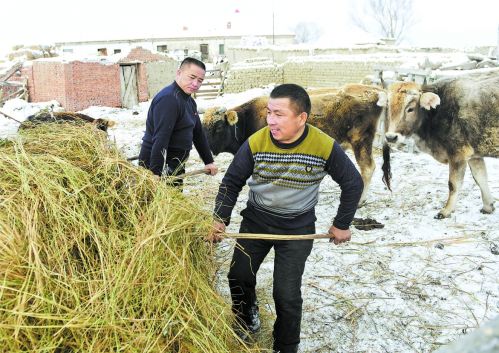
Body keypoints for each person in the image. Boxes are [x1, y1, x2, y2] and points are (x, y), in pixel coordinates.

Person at [207, 83, 363, 353]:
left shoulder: (323, 145)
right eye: (269, 113)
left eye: (279, 114)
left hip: (297, 228)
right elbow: (231, 181)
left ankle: (286, 345)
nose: (271, 120)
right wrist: (220, 218)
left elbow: (352, 183)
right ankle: (246, 319)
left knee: (286, 294)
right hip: (256, 220)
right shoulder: (256, 141)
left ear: (301, 118)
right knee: (239, 275)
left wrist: (341, 224)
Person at [138, 57, 218, 185]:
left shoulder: (189, 101)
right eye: (191, 77)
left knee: (174, 200)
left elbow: (198, 134)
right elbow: (161, 138)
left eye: (200, 80)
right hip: (158, 163)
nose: (195, 84)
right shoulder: (169, 99)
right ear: (179, 73)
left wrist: (208, 161)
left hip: (175, 164)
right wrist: (155, 173)